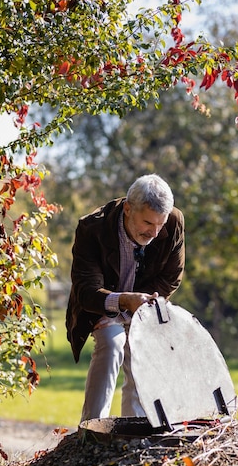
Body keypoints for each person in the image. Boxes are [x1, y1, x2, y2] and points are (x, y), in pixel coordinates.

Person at [66, 173, 185, 422]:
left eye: (159, 225)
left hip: (142, 307)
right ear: (128, 209)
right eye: (147, 223)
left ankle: (135, 430)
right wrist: (121, 303)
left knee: (142, 349)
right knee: (112, 342)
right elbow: (86, 290)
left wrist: (140, 309)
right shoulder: (92, 228)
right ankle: (92, 428)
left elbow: (171, 277)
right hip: (101, 306)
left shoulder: (174, 221)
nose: (154, 232)